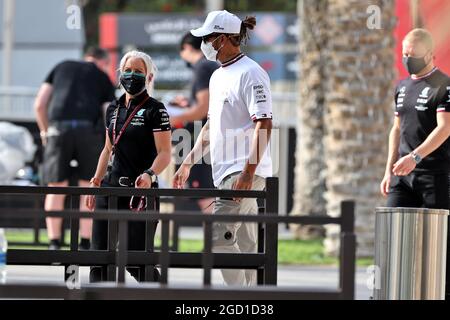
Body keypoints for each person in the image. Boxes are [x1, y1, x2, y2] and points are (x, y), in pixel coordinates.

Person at [173, 10, 273, 286]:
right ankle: (254, 299)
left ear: (224, 39)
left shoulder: (252, 73)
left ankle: (240, 298)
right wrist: (188, 161)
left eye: (208, 37)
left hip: (241, 173)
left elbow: (264, 123)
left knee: (218, 239)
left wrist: (247, 173)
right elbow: (209, 127)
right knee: (247, 245)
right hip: (231, 173)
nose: (204, 42)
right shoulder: (218, 75)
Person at [86, 50, 172, 282]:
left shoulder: (156, 109)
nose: (132, 75)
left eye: (138, 71)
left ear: (149, 77)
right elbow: (107, 149)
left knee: (137, 262)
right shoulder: (112, 109)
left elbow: (165, 153)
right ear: (120, 74)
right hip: (111, 188)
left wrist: (150, 174)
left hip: (141, 192)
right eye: (128, 70)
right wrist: (95, 181)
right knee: (99, 260)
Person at [380, 28, 450, 299]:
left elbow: (444, 128)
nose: (408, 59)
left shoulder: (444, 85)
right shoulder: (402, 85)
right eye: (405, 54)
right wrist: (389, 170)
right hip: (402, 176)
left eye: (414, 55)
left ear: (430, 54)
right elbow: (396, 129)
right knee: (393, 233)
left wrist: (415, 157)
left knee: (437, 242)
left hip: (433, 175)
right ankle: (393, 291)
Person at [34, 47, 116, 250]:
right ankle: (85, 243)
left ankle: (54, 243)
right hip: (89, 132)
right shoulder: (102, 75)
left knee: (56, 187)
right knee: (88, 187)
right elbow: (108, 111)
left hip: (58, 130)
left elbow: (39, 104)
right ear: (103, 62)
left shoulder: (61, 67)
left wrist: (45, 133)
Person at [172, 32, 219, 212]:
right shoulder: (209, 66)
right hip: (209, 137)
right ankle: (218, 238)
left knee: (205, 195)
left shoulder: (202, 67)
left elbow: (202, 109)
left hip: (203, 138)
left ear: (187, 48)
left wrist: (174, 117)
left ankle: (217, 239)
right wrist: (186, 105)